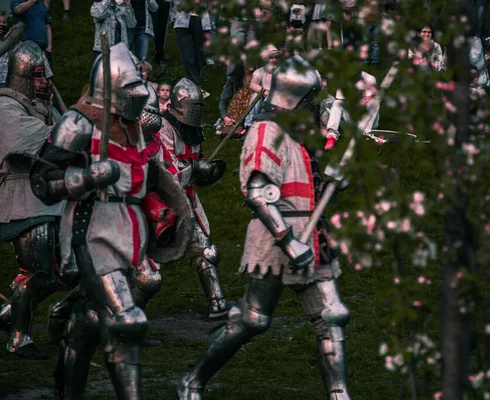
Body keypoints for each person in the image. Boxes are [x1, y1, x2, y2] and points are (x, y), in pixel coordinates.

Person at [177, 55, 351, 400]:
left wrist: (333, 179)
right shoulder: (265, 131)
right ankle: (192, 382)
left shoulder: (299, 134)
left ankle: (339, 394)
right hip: (277, 238)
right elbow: (258, 194)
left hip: (312, 235)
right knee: (253, 320)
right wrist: (290, 244)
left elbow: (306, 183)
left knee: (332, 316)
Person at [29, 42, 156, 399]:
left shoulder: (132, 126)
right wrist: (86, 177)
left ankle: (68, 387)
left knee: (91, 320)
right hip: (93, 228)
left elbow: (144, 175)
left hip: (129, 229)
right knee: (127, 321)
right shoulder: (78, 122)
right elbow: (42, 180)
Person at [0, 41, 70, 360]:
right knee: (37, 273)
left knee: (59, 273)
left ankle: (7, 315)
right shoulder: (6, 109)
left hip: (47, 197)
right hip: (20, 198)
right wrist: (69, 134)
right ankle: (18, 338)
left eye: (46, 77)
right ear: (24, 77)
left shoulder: (46, 109)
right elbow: (36, 144)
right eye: (40, 76)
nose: (45, 82)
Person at [159, 78, 232, 319]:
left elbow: (198, 160)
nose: (198, 112)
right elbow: (165, 170)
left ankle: (217, 303)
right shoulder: (163, 127)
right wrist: (195, 168)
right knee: (144, 270)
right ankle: (121, 313)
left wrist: (206, 169)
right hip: (160, 203)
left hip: (188, 200)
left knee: (206, 251)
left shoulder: (193, 128)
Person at [11, 0, 53, 68]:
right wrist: (32, 1)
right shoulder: (17, 1)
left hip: (43, 48)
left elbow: (47, 26)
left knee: (46, 77)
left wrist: (49, 47)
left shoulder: (41, 3)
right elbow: (18, 10)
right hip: (25, 48)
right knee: (25, 75)